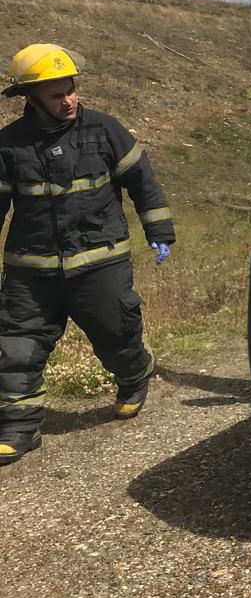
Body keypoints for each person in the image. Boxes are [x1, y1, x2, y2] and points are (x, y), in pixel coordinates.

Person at [0, 44, 176, 466]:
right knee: (16, 347)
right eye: (57, 94)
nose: (68, 100)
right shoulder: (7, 145)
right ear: (30, 97)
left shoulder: (104, 130)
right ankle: (18, 428)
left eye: (71, 89)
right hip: (31, 269)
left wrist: (159, 230)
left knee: (116, 335)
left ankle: (135, 376)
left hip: (100, 261)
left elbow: (142, 181)